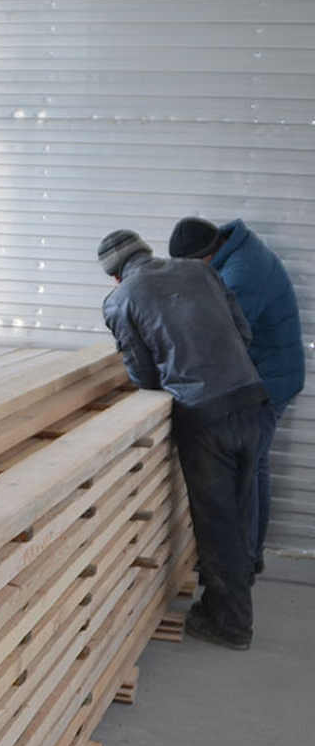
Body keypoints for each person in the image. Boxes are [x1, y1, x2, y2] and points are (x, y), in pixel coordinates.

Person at [96, 229, 276, 650]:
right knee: (241, 510)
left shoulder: (121, 299)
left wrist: (178, 376)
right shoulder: (199, 271)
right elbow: (243, 332)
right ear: (146, 250)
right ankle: (228, 601)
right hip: (254, 401)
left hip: (207, 415)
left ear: (115, 275)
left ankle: (231, 625)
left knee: (217, 523)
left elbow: (143, 373)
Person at [168, 217, 306, 574]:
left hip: (268, 382)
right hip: (267, 372)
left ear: (204, 257)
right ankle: (250, 556)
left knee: (248, 471)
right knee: (255, 466)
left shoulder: (242, 275)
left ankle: (243, 562)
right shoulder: (232, 254)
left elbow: (220, 339)